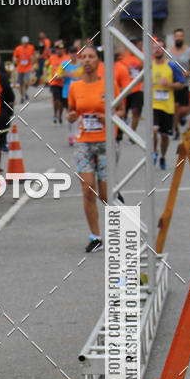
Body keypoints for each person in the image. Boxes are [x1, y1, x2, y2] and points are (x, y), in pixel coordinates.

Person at [67, 45, 120, 252]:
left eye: (91, 57)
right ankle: (96, 236)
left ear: (98, 61)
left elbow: (121, 112)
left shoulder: (109, 85)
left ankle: (118, 230)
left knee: (105, 195)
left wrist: (107, 117)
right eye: (84, 57)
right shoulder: (75, 87)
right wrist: (70, 116)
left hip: (106, 142)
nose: (87, 60)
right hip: (83, 143)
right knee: (88, 189)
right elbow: (72, 111)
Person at [152, 40, 184, 171]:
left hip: (167, 106)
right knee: (153, 130)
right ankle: (154, 152)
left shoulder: (171, 66)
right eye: (155, 48)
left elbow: (181, 84)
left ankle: (162, 156)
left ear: (164, 50)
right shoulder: (149, 66)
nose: (158, 50)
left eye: (160, 48)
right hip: (154, 105)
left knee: (164, 136)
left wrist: (169, 85)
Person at [168, 28, 190, 138]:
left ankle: (181, 117)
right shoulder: (169, 52)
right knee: (175, 108)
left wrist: (189, 72)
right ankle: (176, 130)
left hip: (184, 85)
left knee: (183, 110)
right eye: (177, 36)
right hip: (173, 85)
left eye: (181, 36)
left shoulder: (189, 51)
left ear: (183, 38)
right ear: (174, 38)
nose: (179, 38)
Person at [59, 47, 83, 145]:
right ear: (69, 54)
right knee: (70, 114)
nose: (73, 55)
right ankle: (70, 134)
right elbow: (57, 76)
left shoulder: (81, 64)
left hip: (80, 92)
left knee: (79, 114)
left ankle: (76, 133)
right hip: (67, 92)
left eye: (75, 53)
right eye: (71, 53)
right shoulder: (64, 65)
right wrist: (64, 75)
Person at [120, 38, 144, 134]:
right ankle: (125, 121)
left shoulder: (141, 57)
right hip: (125, 88)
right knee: (124, 112)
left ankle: (132, 132)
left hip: (137, 88)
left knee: (136, 111)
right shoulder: (123, 57)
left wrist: (141, 68)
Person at [47, 42, 68, 124]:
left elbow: (69, 69)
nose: (60, 51)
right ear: (56, 50)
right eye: (58, 49)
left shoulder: (67, 58)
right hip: (54, 82)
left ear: (63, 50)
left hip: (63, 82)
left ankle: (60, 115)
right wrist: (47, 76)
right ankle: (55, 114)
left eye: (61, 49)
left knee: (62, 102)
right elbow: (47, 67)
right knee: (56, 100)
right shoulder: (52, 58)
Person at [12, 35, 35, 103]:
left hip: (27, 67)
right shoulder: (18, 48)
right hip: (20, 68)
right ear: (21, 42)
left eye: (26, 43)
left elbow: (33, 56)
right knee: (20, 83)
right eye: (24, 43)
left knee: (26, 81)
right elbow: (14, 57)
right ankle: (22, 96)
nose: (25, 44)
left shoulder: (31, 47)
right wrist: (15, 60)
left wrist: (33, 65)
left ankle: (25, 91)